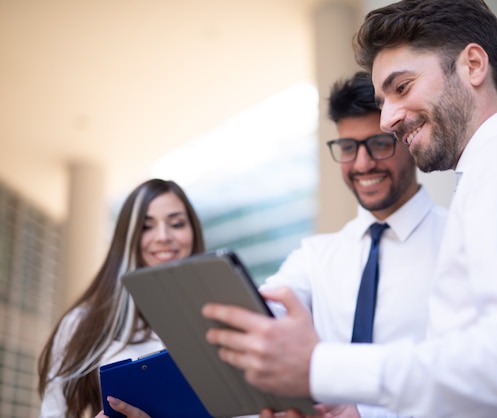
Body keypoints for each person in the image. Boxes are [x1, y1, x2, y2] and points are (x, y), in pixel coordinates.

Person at [201, 1, 497, 417]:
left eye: (401, 88)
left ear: (473, 65)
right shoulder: (491, 177)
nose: (387, 119)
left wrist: (319, 367)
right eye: (384, 99)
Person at [92, 71, 448, 418]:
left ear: (407, 138)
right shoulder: (315, 257)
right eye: (347, 147)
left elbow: (476, 376)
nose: (362, 163)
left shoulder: (457, 239)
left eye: (379, 144)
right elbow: (257, 316)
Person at [38, 178, 206, 418]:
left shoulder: (222, 318)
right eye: (146, 226)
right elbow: (52, 413)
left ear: (193, 231)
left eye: (176, 223)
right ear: (126, 238)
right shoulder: (83, 323)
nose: (163, 236)